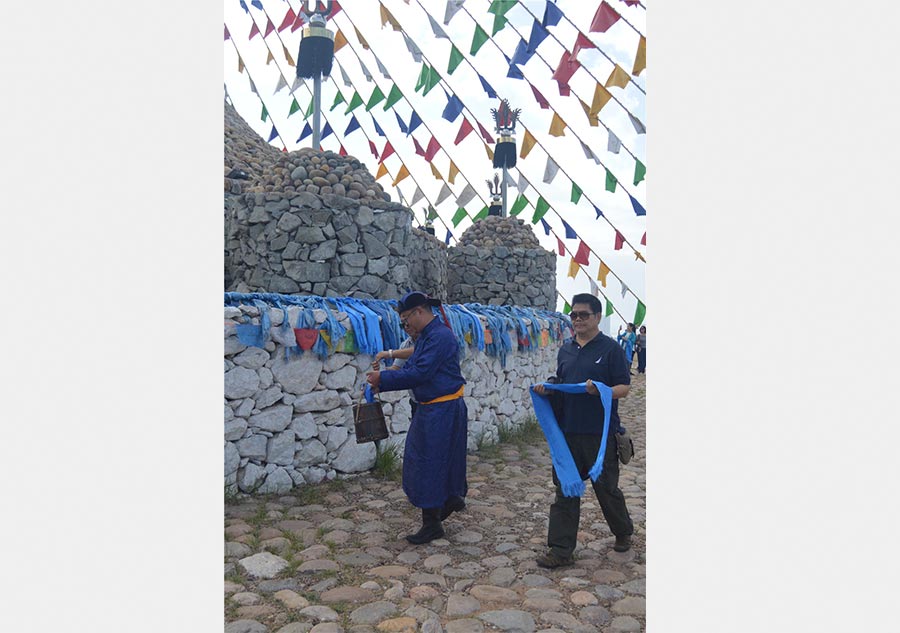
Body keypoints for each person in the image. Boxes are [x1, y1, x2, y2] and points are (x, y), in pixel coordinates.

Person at [533, 293, 634, 568]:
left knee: (607, 489)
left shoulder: (610, 349)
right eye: (574, 315)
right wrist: (550, 387)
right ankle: (561, 550)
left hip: (600, 435)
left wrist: (599, 390)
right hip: (567, 433)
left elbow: (623, 388)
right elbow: (563, 379)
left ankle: (623, 531)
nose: (577, 320)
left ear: (598, 317)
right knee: (565, 490)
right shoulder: (566, 349)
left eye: (583, 315)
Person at [366, 291, 468, 545]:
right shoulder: (429, 336)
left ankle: (432, 522)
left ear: (419, 312)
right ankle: (449, 500)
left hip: (440, 410)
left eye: (406, 319)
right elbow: (414, 367)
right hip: (434, 409)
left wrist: (384, 380)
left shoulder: (440, 337)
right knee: (434, 460)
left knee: (427, 463)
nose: (405, 325)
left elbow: (421, 372)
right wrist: (389, 374)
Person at [373, 329, 418, 416]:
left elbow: (420, 351)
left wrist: (389, 354)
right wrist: (381, 372)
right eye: (403, 325)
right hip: (416, 401)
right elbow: (396, 369)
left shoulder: (432, 339)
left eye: (408, 323)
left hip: (435, 402)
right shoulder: (406, 345)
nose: (407, 328)